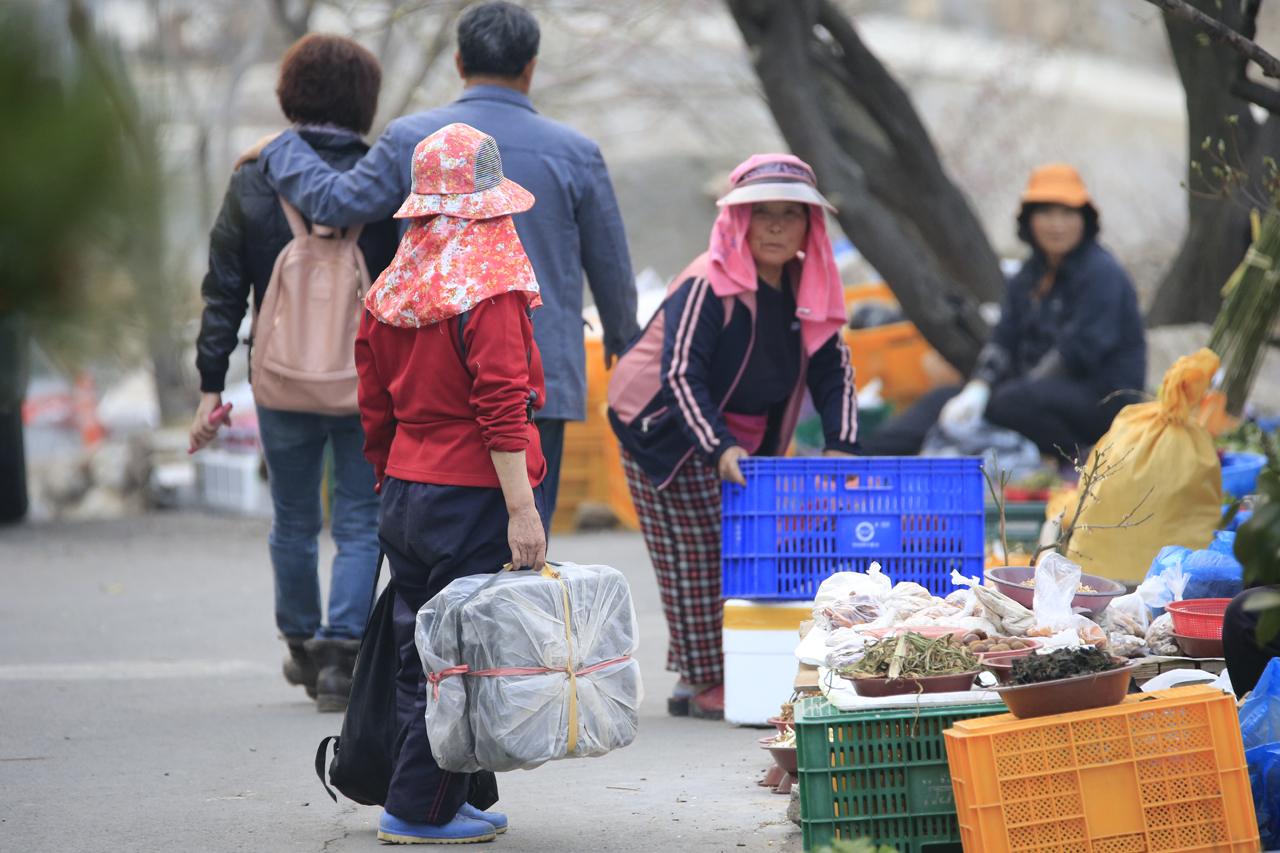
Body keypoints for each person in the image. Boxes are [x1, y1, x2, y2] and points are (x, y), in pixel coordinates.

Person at [239, 0, 638, 523]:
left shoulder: (412, 140)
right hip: (542, 381)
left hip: (433, 385)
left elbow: (335, 203)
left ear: (457, 62)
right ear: (531, 67)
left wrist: (282, 149)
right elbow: (612, 267)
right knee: (522, 552)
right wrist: (621, 342)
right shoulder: (576, 152)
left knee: (437, 558)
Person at [607, 154, 859, 720]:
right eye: (760, 213)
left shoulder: (806, 282)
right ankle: (703, 680)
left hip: (744, 432)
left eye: (789, 214)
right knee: (698, 550)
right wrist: (718, 447)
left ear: (808, 226)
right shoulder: (706, 281)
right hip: (664, 427)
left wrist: (842, 443)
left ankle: (711, 671)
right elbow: (679, 374)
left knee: (744, 549)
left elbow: (831, 368)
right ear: (737, 221)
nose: (774, 226)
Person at [190, 34, 398, 712]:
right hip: (366, 381)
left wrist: (210, 385)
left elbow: (224, 288)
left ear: (290, 95)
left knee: (293, 518)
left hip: (279, 380)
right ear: (363, 102)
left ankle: (303, 646)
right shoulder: (383, 179)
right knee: (362, 519)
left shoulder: (255, 178)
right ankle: (344, 653)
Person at [356, 123, 546, 844]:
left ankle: (441, 798)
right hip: (471, 496)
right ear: (488, 210)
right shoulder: (487, 294)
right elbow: (502, 408)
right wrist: (521, 510)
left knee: (421, 650)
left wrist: (391, 482)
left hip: (406, 490)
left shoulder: (389, 291)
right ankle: (415, 808)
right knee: (460, 660)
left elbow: (373, 408)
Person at [858, 163, 1146, 463]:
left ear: (1084, 220)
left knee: (1010, 403)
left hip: (1100, 399)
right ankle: (857, 457)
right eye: (1046, 213)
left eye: (1067, 213)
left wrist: (1007, 394)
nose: (1056, 224)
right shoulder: (1029, 274)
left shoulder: (1102, 273)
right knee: (944, 400)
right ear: (1029, 221)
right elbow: (1004, 336)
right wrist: (978, 388)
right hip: (1030, 396)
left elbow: (1078, 352)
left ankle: (1080, 461)